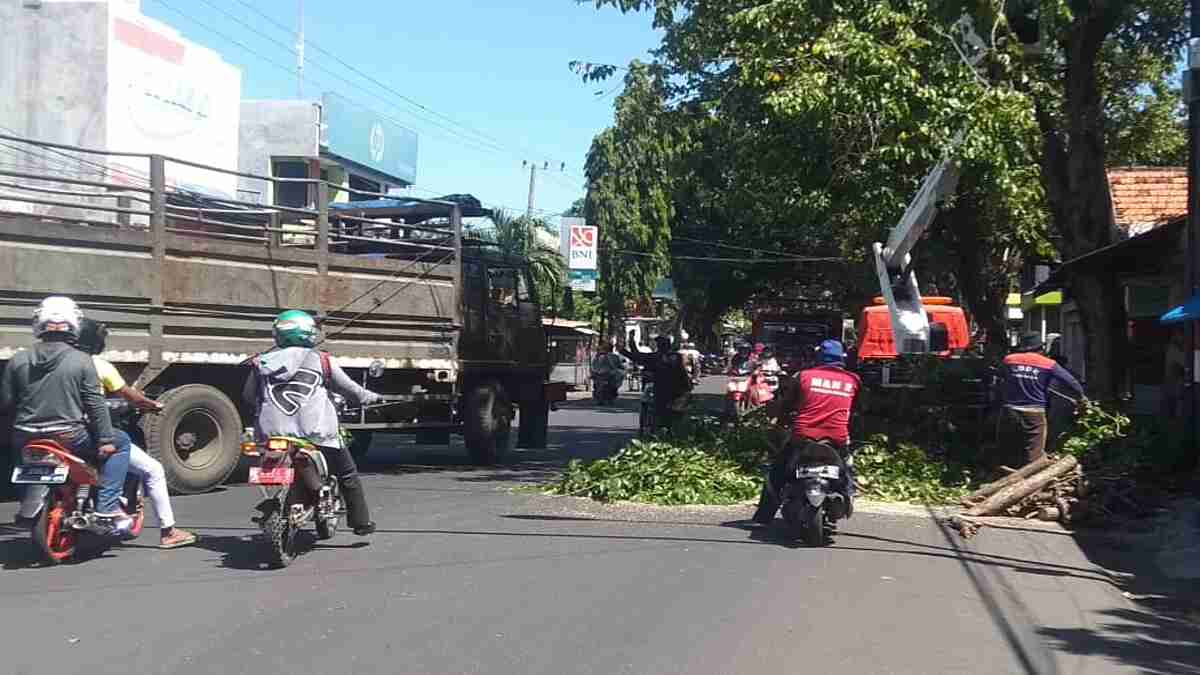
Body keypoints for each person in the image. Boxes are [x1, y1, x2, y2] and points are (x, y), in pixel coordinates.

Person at [243, 310, 382, 536]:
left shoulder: (260, 363)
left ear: (277, 335)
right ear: (310, 334)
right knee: (347, 473)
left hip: (273, 436)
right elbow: (351, 390)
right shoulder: (322, 360)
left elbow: (249, 397)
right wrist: (372, 397)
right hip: (315, 434)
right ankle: (361, 522)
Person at [2, 297, 132, 532]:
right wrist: (105, 440)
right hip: (68, 436)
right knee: (122, 442)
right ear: (74, 324)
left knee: (21, 456)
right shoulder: (82, 361)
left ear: (38, 323)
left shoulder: (17, 360)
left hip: (26, 435)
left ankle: (27, 503)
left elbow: (6, 403)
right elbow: (95, 403)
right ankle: (107, 507)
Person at [76, 318, 197, 549]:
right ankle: (168, 531)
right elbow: (129, 396)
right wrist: (151, 405)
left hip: (53, 431)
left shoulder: (49, 362)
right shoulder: (98, 366)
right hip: (88, 432)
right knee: (152, 469)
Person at [753, 339, 861, 526]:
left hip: (804, 436)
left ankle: (764, 516)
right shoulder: (853, 380)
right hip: (837, 438)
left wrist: (779, 424)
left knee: (778, 470)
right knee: (847, 468)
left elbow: (786, 405)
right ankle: (849, 493)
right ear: (841, 358)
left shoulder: (803, 376)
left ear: (819, 357)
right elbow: (858, 409)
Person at [998, 333, 1085, 467]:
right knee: (1034, 453)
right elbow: (1072, 382)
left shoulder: (1009, 360)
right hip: (1034, 413)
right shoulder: (1049, 364)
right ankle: (1032, 484)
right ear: (1041, 349)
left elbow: (1001, 377)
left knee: (1011, 449)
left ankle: (1005, 477)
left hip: (1009, 411)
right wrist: (1081, 398)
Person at [619, 334, 692, 432]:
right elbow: (638, 357)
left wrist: (627, 346)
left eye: (659, 344)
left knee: (665, 411)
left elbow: (637, 357)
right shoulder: (676, 356)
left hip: (663, 391)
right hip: (677, 390)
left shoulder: (656, 357)